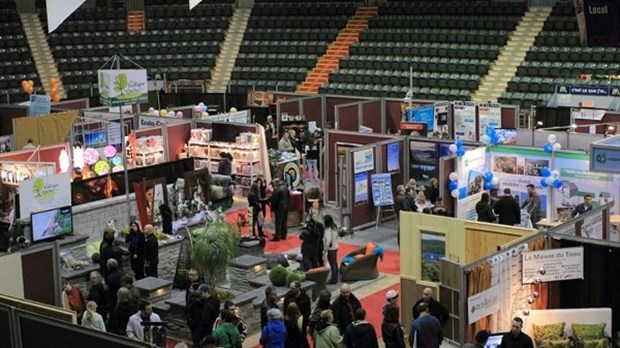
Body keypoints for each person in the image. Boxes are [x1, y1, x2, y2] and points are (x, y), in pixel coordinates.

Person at [322, 214, 340, 284]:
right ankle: (335, 278)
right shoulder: (334, 227)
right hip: (335, 246)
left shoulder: (327, 229)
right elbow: (337, 236)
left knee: (332, 264)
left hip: (330, 248)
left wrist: (325, 248)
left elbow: (328, 240)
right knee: (334, 263)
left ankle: (333, 279)